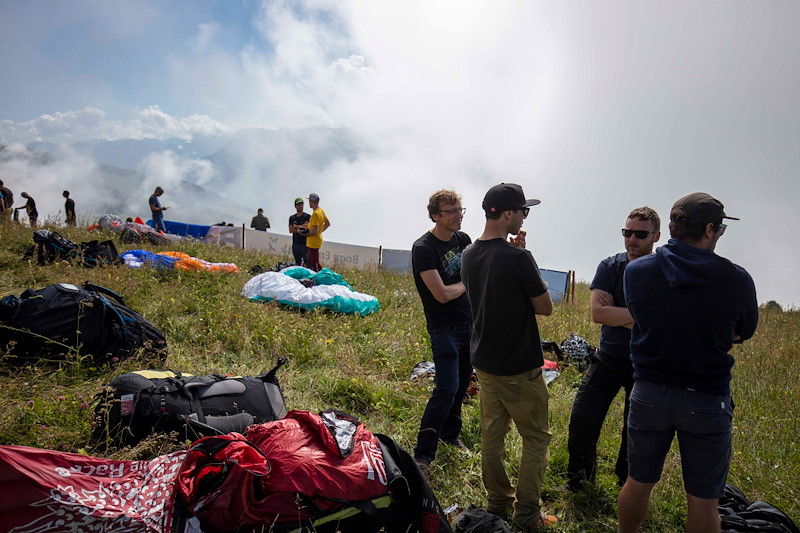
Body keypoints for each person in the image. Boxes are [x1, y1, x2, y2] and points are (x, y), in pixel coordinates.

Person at [618, 193, 758, 533]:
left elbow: (641, 316)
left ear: (671, 227)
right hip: (707, 397)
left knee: (638, 480)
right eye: (721, 227)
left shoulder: (636, 271)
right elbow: (744, 331)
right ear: (710, 229)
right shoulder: (737, 280)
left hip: (649, 393)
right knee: (703, 499)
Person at [461, 183, 557, 530]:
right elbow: (544, 308)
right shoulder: (518, 258)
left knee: (492, 436)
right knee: (535, 438)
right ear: (506, 214)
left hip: (484, 362)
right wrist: (527, 258)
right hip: (519, 366)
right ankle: (528, 514)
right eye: (523, 211)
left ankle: (499, 501)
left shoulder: (470, 253)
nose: (524, 217)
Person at [565, 207, 661, 491]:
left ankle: (626, 487)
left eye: (640, 234)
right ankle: (580, 483)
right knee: (582, 420)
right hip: (608, 358)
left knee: (635, 433)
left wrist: (621, 314)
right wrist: (642, 315)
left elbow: (662, 320)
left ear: (656, 236)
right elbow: (598, 314)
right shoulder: (610, 266)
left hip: (645, 364)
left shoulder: (663, 272)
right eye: (626, 232)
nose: (632, 239)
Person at [411, 190, 473, 468]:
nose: (458, 215)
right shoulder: (424, 247)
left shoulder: (463, 240)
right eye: (452, 211)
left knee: (460, 386)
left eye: (460, 210)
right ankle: (424, 453)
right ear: (435, 215)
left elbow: (480, 267)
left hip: (469, 323)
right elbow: (442, 294)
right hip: (443, 327)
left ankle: (450, 435)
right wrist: (467, 283)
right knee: (445, 389)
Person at [305, 193, 330, 271]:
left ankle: (320, 278)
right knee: (314, 262)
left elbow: (314, 232)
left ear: (311, 201)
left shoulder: (315, 214)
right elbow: (327, 224)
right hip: (317, 240)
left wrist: (304, 233)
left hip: (313, 242)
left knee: (314, 264)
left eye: (309, 201)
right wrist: (320, 231)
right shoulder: (321, 211)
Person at [288, 197, 311, 266]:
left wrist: (296, 226)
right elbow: (290, 230)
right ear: (295, 206)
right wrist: (301, 227)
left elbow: (307, 227)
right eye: (298, 205)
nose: (300, 206)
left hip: (305, 244)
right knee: (297, 263)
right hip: (295, 244)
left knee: (307, 263)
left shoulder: (307, 216)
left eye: (302, 204)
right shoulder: (292, 217)